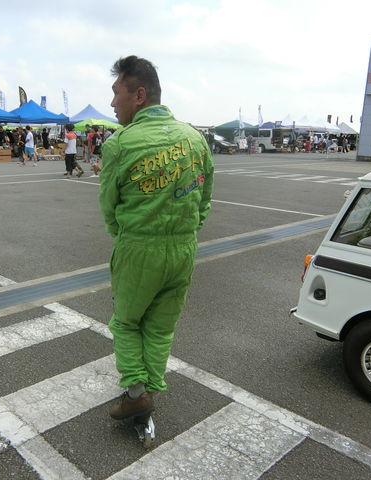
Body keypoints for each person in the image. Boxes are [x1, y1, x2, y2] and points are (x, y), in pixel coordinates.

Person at [99, 55, 214, 420]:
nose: (112, 102)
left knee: (126, 322)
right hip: (183, 249)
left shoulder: (120, 144)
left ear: (139, 95)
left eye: (116, 92)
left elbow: (108, 205)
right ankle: (149, 388)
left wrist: (126, 235)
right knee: (161, 328)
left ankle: (136, 391)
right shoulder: (195, 139)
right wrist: (186, 230)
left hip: (138, 247)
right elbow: (205, 198)